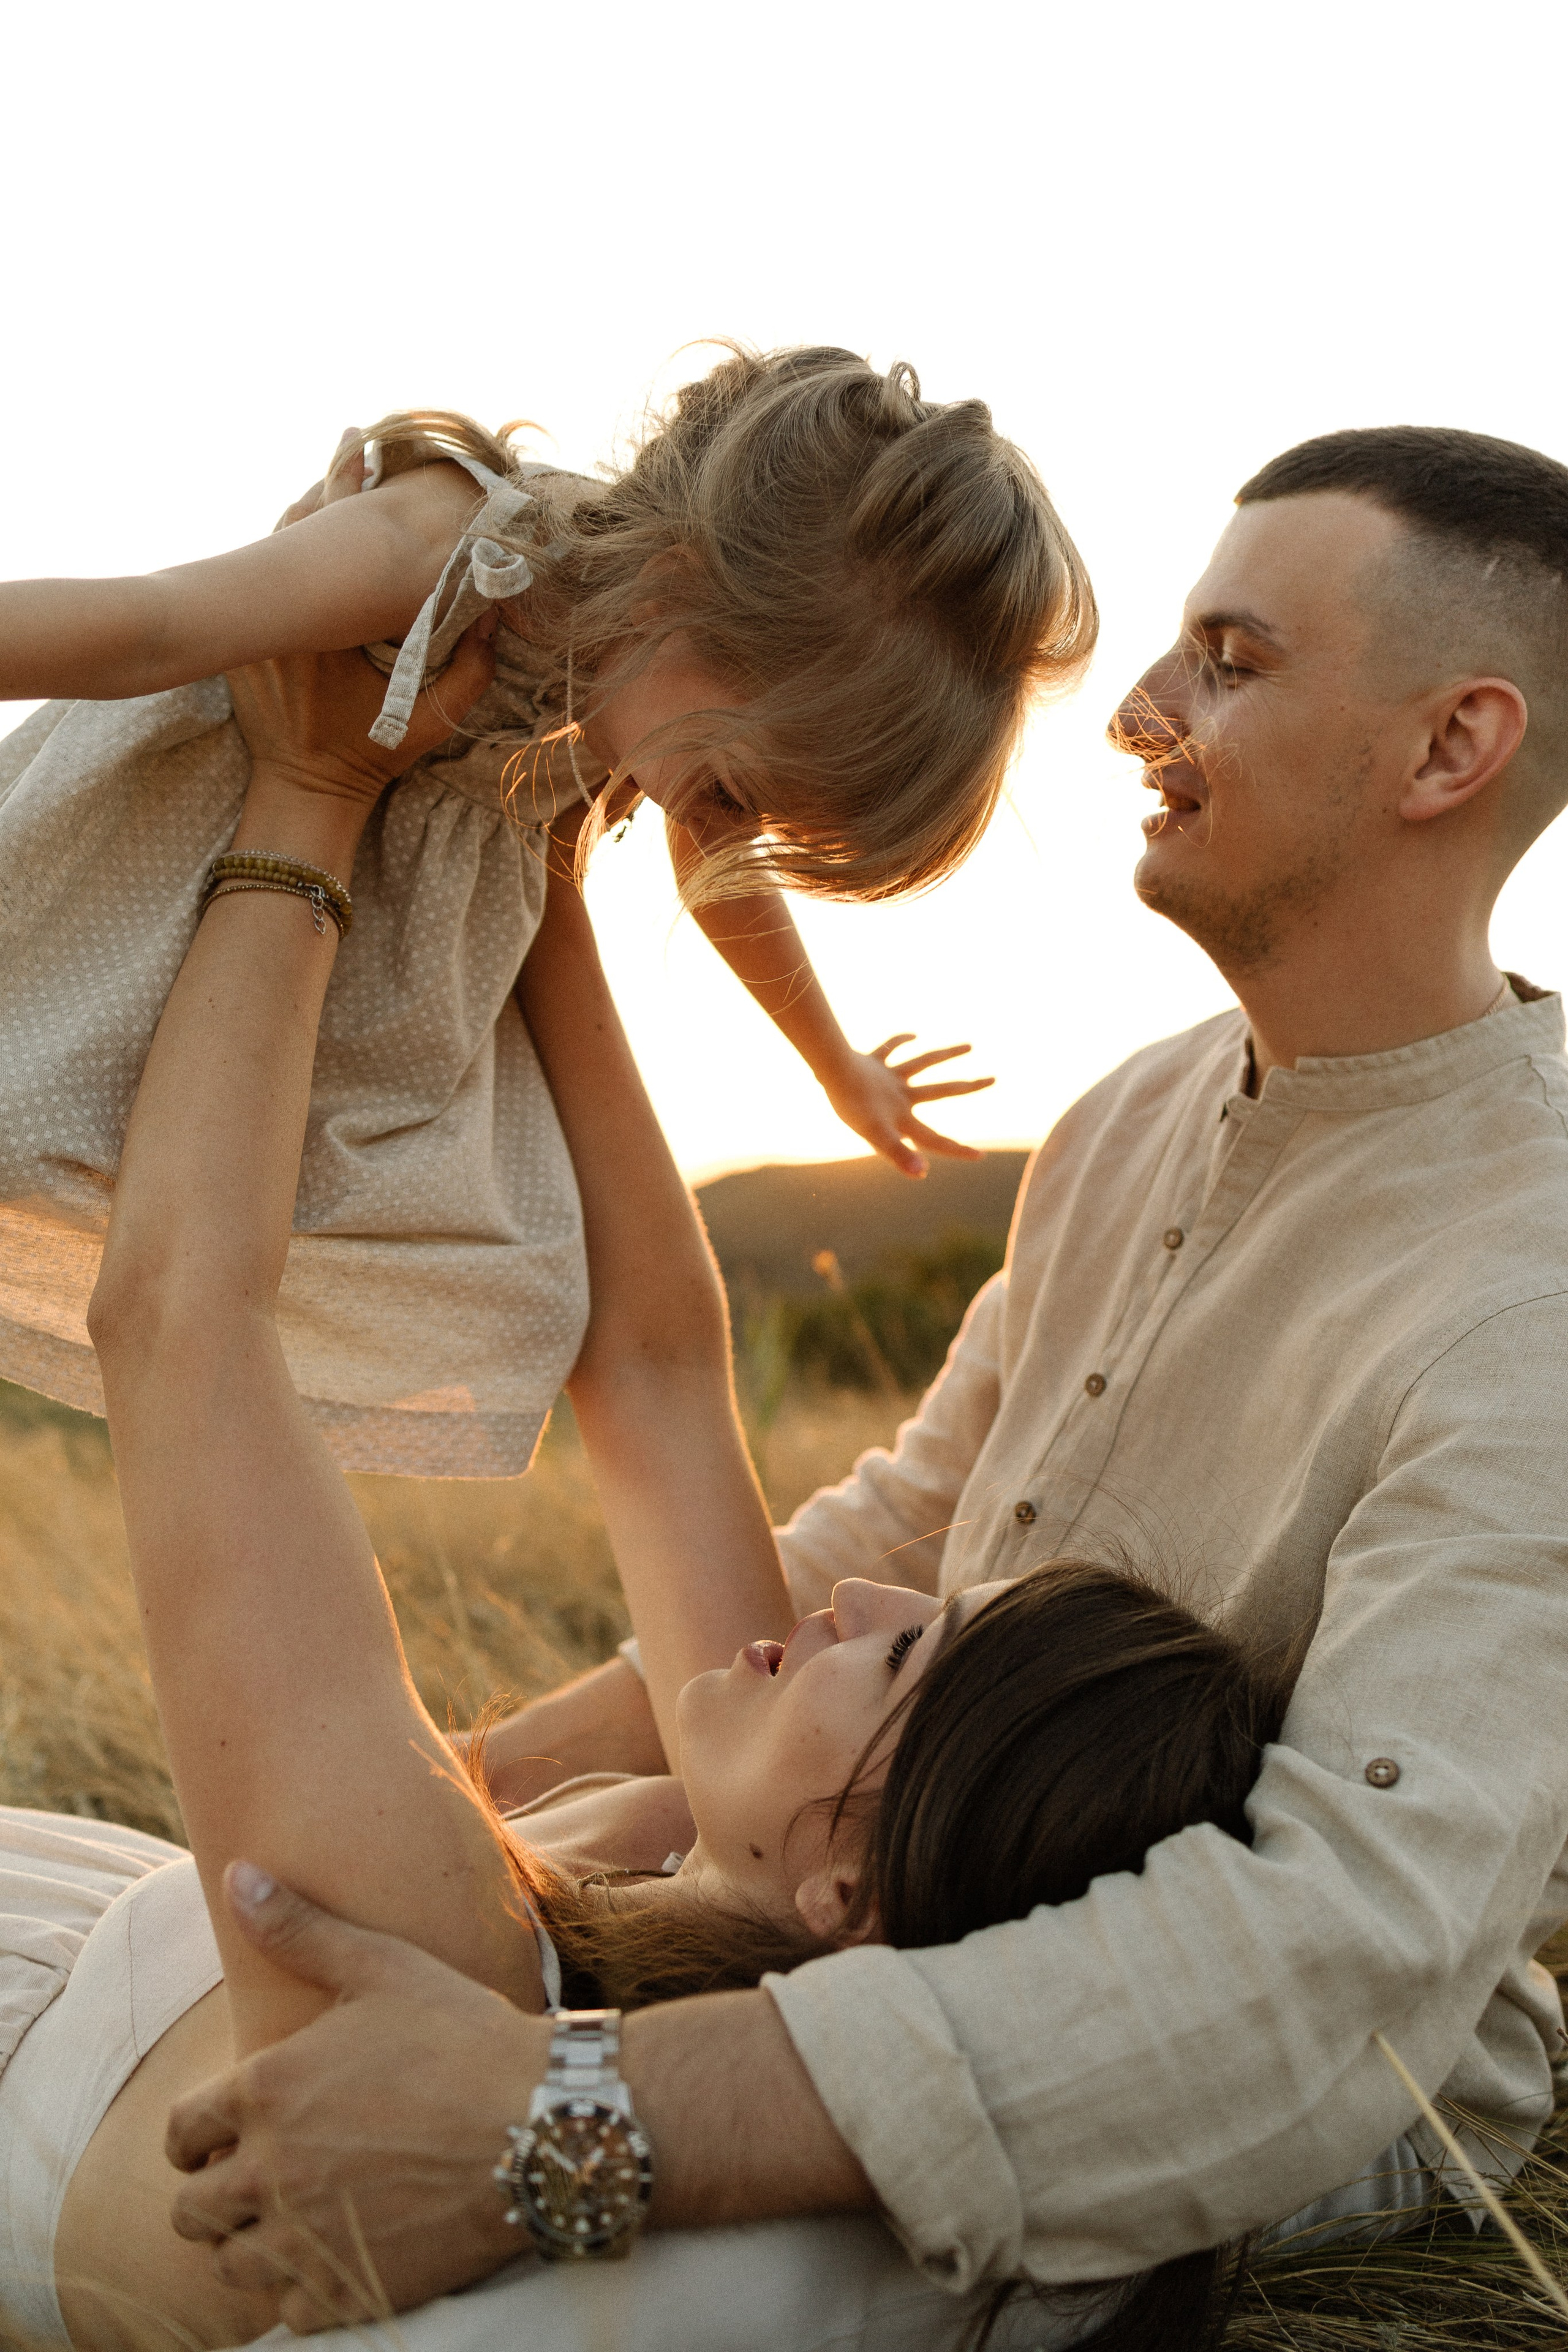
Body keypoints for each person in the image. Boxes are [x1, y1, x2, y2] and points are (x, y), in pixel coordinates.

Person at [165, 423, 1568, 2345]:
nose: (1139, 709)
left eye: (1230, 663)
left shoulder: (1539, 1290)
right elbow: (895, 1534)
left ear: (1450, 749)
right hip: (857, 1902)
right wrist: (494, 1782)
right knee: (307, 1926)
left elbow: (1347, 1949)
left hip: (1258, 2101)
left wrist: (568, 2110)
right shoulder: (1125, 1119)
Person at [0, 627, 1289, 2352]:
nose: (875, 1594)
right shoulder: (712, 1871)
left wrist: (308, 804)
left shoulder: (430, 1963)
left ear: (862, 1895)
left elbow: (178, 1319)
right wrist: (546, 823)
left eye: (910, 1662)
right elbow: (657, 1361)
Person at [0, 347, 1093, 1474]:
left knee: (509, 1277)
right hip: (159, 877)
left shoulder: (659, 684)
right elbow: (151, 625)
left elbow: (721, 876)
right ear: (678, 584)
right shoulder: (451, 548)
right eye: (738, 788)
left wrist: (835, 1065)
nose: (733, 829)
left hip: (317, 989)